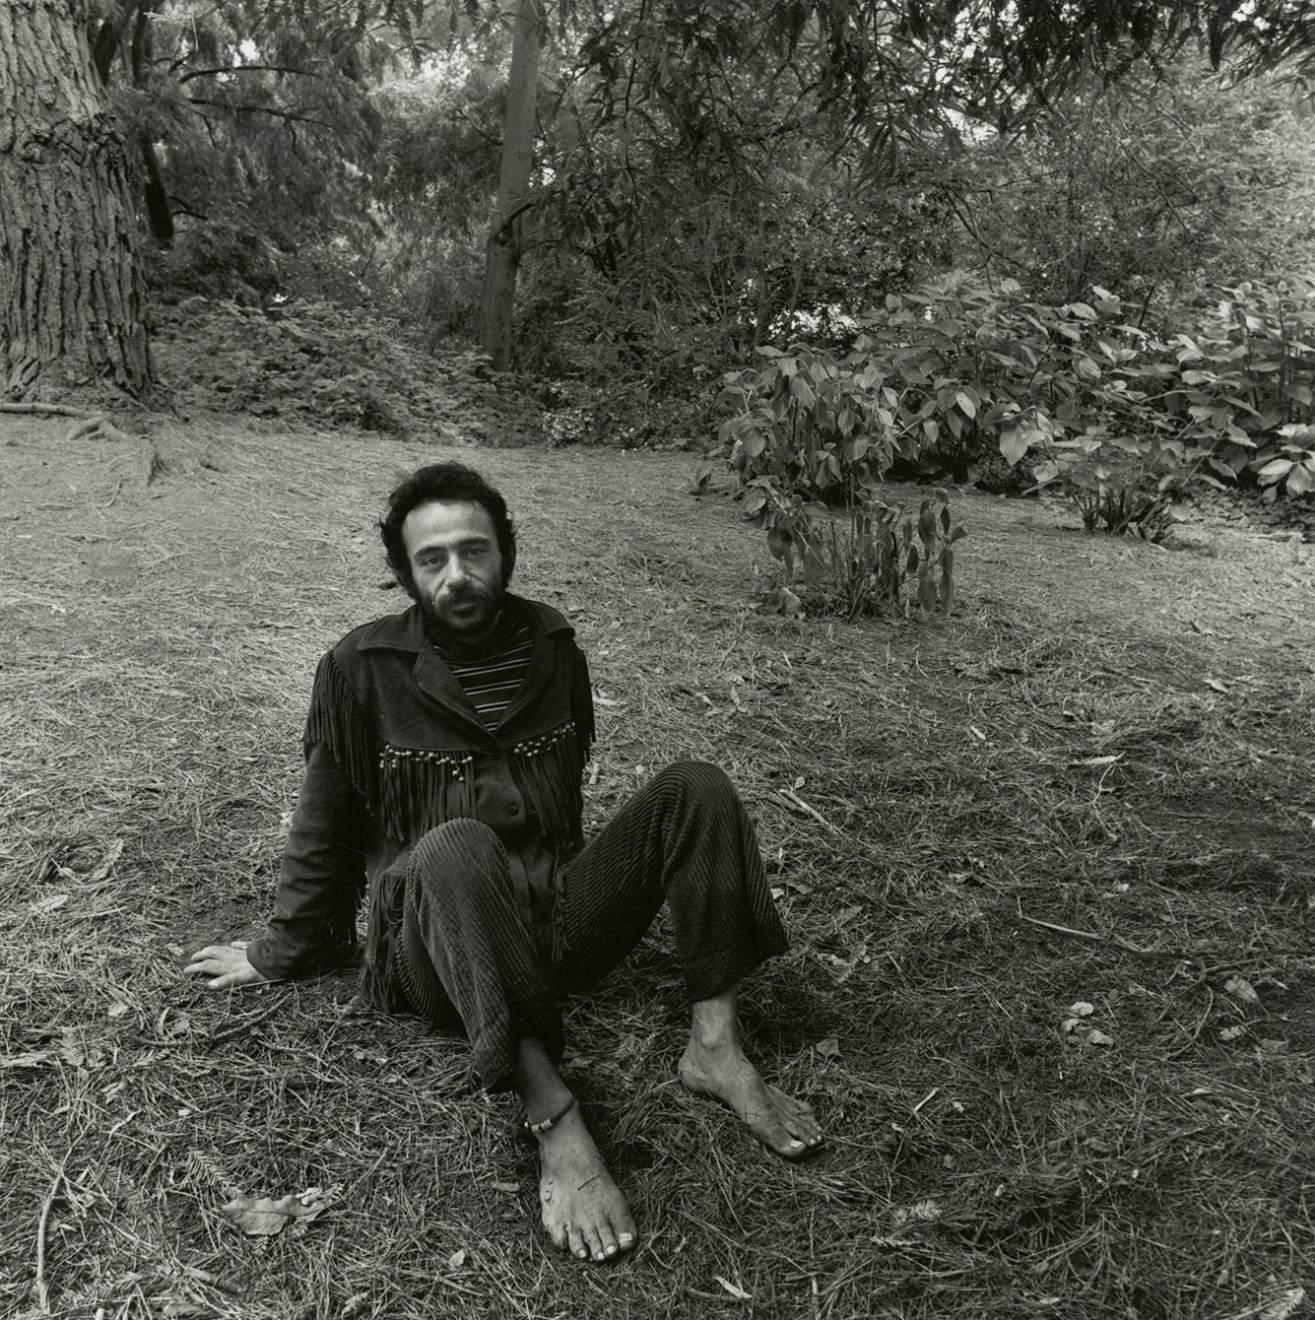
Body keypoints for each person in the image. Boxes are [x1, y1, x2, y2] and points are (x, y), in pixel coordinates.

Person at [186, 462, 822, 1263]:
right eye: (432, 560)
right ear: (405, 574)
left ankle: (715, 1047)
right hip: (433, 946)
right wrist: (281, 950)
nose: (458, 575)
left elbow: (561, 807)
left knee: (695, 787)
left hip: (549, 915)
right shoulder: (360, 669)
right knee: (455, 842)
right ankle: (554, 1117)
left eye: (474, 551)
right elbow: (323, 828)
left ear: (505, 552)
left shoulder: (552, 644)